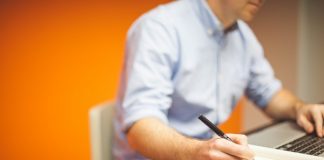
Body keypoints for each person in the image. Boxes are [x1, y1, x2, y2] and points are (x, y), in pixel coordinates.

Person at [113, 0, 324, 159]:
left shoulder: (243, 36)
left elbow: (269, 93)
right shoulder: (159, 28)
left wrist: (299, 108)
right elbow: (139, 129)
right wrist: (198, 151)